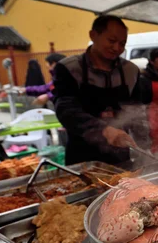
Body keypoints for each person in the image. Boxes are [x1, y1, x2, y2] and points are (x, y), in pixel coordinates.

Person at [53, 16, 144, 165]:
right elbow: (66, 110)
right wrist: (104, 130)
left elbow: (137, 111)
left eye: (122, 44)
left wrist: (145, 145)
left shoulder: (131, 71)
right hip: (82, 157)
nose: (117, 48)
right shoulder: (70, 68)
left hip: (120, 156)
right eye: (111, 41)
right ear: (93, 35)